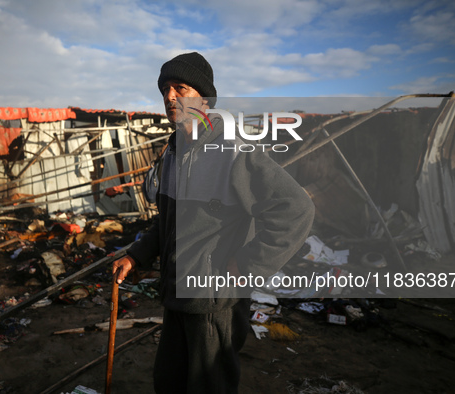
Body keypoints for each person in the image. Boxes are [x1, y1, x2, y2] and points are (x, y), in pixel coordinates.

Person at [112, 52, 314, 393]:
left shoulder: (234, 151)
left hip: (214, 302)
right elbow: (169, 221)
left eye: (180, 87)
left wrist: (248, 264)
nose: (169, 97)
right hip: (177, 295)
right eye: (164, 89)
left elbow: (296, 209)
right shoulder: (174, 153)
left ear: (203, 98)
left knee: (209, 386)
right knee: (169, 381)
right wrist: (136, 255)